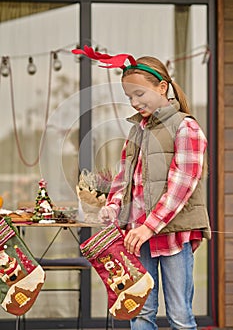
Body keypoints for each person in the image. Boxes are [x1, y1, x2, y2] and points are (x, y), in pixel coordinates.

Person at [72, 46, 211, 330]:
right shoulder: (138, 130)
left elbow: (181, 186)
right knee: (141, 312)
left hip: (172, 237)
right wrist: (113, 207)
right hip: (138, 236)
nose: (134, 102)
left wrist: (150, 226)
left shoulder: (186, 128)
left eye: (140, 94)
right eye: (129, 97)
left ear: (162, 88)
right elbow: (124, 177)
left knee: (180, 316)